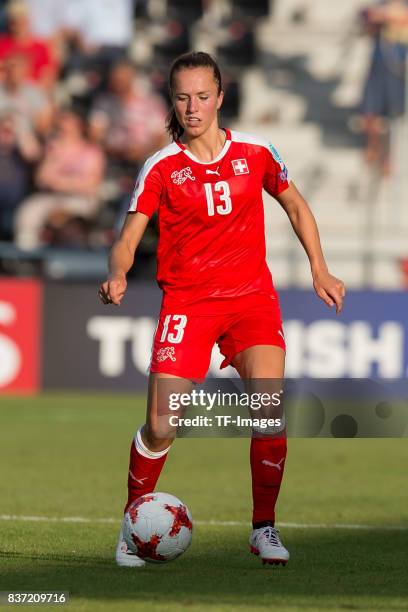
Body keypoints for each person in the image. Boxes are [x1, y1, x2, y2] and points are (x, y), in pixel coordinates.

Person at [98, 51, 345, 568]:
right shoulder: (161, 166)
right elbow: (129, 236)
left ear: (220, 98)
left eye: (203, 96)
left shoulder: (255, 152)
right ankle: (131, 529)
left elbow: (296, 205)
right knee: (163, 426)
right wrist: (119, 272)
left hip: (251, 298)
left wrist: (320, 268)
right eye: (183, 97)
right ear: (173, 100)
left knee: (268, 409)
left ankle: (263, 529)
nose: (193, 107)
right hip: (188, 303)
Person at [15, 107, 105, 250]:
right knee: (28, 213)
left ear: (79, 125)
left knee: (65, 220)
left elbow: (91, 185)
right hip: (51, 197)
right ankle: (26, 258)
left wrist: (62, 183)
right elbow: (42, 179)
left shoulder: (91, 151)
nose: (63, 126)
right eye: (62, 122)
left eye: (68, 122)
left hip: (79, 200)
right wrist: (54, 156)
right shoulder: (53, 147)